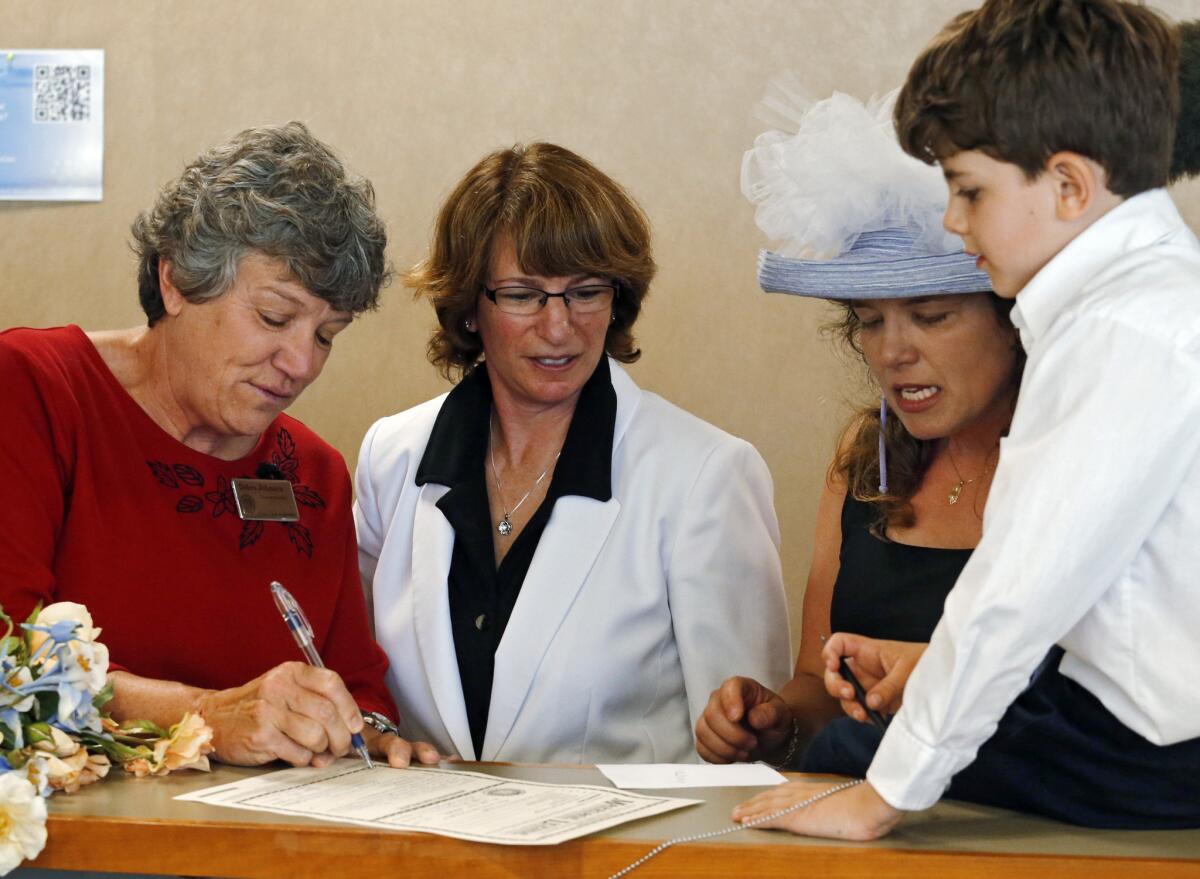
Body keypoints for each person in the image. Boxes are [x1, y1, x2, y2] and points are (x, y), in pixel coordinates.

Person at [734, 0, 1200, 837]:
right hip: (1135, 729)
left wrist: (884, 794)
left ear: (1067, 185)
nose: (952, 221)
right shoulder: (1148, 306)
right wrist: (927, 666)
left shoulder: (1119, 334)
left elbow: (1017, 588)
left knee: (849, 754)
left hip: (1158, 758)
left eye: (969, 190)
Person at [0, 122, 436, 769]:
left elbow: (354, 678)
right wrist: (207, 715)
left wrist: (364, 728)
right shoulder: (35, 390)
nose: (300, 363)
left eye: (327, 334)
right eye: (274, 317)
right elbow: (13, 662)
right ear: (175, 281)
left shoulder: (313, 472)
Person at [354, 142, 792, 764]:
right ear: (469, 308)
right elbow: (357, 681)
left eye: (585, 291)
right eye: (523, 294)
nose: (559, 327)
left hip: (617, 860)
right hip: (423, 856)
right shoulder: (391, 457)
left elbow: (745, 757)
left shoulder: (707, 475)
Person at [695, 89, 1022, 767]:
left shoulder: (1081, 454)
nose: (892, 352)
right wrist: (776, 720)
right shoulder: (865, 456)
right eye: (870, 320)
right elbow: (821, 687)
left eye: (929, 314)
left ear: (1013, 315)